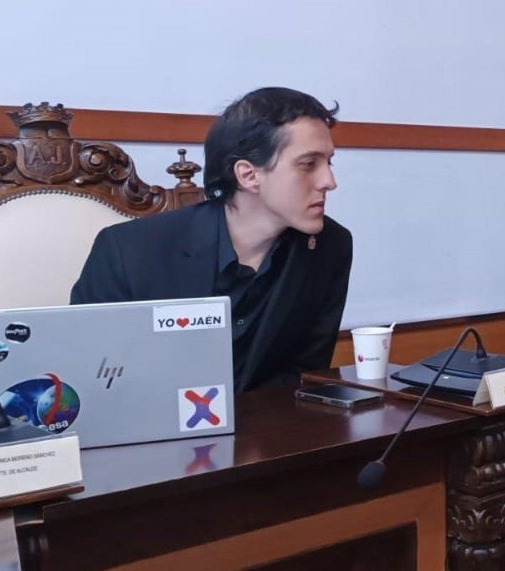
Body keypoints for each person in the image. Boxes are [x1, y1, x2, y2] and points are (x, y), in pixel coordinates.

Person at [71, 87, 352, 390]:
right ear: (248, 175)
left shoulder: (330, 246)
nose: (329, 182)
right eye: (308, 164)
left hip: (271, 430)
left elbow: (305, 374)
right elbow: (92, 374)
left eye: (329, 163)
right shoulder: (127, 251)